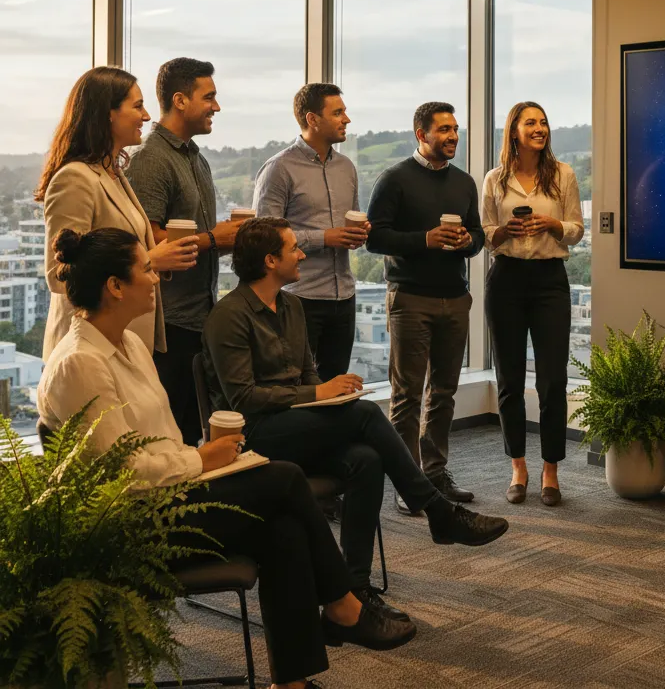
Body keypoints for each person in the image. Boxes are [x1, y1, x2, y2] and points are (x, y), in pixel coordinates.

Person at [36, 227, 416, 689]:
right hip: (133, 523)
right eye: (146, 270)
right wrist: (203, 462)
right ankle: (342, 604)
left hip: (172, 493)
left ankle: (293, 678)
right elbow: (123, 476)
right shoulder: (79, 363)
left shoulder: (130, 345)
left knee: (285, 528)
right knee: (286, 480)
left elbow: (161, 442)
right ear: (115, 287)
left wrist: (203, 460)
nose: (155, 280)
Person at [202, 217, 509, 622]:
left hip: (298, 424)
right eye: (294, 248)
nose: (302, 254)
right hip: (256, 435)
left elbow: (307, 374)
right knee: (365, 414)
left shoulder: (292, 305)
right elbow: (244, 399)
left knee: (366, 460)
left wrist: (331, 390)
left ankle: (356, 589)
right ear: (270, 260)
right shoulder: (229, 315)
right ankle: (436, 511)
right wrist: (317, 394)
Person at [365, 102, 484, 514]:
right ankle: (409, 483)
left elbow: (479, 234)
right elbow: (375, 238)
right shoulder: (394, 178)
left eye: (455, 129)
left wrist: (469, 242)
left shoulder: (465, 182)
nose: (453, 136)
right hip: (410, 299)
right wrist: (424, 240)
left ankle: (434, 474)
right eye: (444, 130)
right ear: (422, 134)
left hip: (456, 296)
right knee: (407, 396)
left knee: (444, 393)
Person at [37, 67, 200, 361]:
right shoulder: (74, 179)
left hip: (122, 344)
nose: (147, 116)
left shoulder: (113, 174)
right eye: (137, 106)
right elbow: (58, 276)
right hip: (87, 352)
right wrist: (151, 261)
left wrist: (156, 256)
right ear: (107, 114)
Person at [126, 58, 244, 446]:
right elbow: (149, 242)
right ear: (180, 100)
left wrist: (231, 239)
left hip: (199, 317)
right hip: (168, 324)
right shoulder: (150, 159)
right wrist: (215, 239)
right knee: (171, 434)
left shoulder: (196, 157)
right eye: (208, 97)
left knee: (195, 428)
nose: (217, 106)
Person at [482, 102, 584, 507]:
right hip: (505, 278)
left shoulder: (564, 175)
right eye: (531, 122)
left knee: (552, 381)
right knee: (508, 380)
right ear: (514, 131)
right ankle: (518, 467)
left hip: (549, 282)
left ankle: (551, 471)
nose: (539, 128)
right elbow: (486, 234)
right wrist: (505, 231)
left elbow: (577, 230)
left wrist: (553, 225)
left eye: (543, 122)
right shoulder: (494, 178)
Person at [252, 83, 366, 380]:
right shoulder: (279, 168)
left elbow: (349, 222)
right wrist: (324, 238)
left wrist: (359, 233)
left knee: (335, 388)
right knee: (296, 387)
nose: (347, 119)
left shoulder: (347, 168)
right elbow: (263, 234)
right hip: (298, 298)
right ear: (312, 119)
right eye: (338, 112)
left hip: (344, 297)